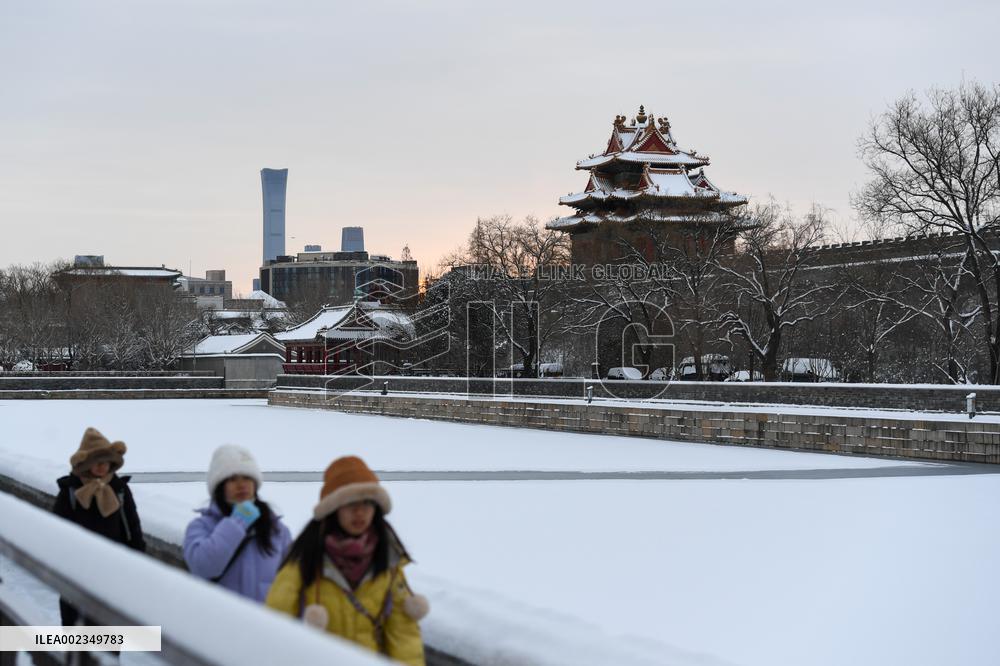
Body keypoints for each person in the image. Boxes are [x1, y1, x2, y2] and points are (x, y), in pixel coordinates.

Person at [266, 456, 428, 665]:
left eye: (367, 503)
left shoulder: (387, 560)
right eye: (350, 503)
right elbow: (277, 624)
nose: (360, 512)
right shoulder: (305, 558)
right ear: (333, 509)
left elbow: (403, 633)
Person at [53, 427, 146, 626]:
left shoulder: (119, 489)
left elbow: (132, 526)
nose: (103, 467)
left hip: (112, 571)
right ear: (86, 463)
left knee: (108, 634)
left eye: (106, 462)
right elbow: (56, 530)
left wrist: (137, 561)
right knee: (76, 634)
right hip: (77, 572)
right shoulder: (71, 490)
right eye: (98, 462)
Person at [184, 445, 292, 602]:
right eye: (233, 479)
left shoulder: (277, 531)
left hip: (264, 624)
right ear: (220, 487)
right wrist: (239, 521)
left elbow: (294, 583)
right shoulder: (201, 527)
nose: (242, 484)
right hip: (220, 623)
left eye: (247, 478)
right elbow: (204, 567)